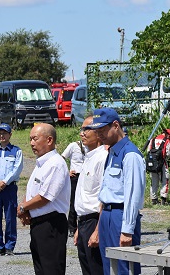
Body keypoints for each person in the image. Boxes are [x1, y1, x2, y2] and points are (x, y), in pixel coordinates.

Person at [85, 108, 145, 275]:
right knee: (109, 266)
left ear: (116, 125)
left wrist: (127, 230)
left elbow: (133, 196)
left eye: (103, 131)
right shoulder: (111, 152)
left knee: (124, 267)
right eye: (97, 132)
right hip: (108, 215)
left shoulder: (130, 154)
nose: (99, 136)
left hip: (121, 215)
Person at [17, 123, 71, 275]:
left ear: (49, 140)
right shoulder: (41, 163)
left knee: (51, 270)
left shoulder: (56, 164)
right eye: (30, 139)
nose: (31, 143)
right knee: (41, 270)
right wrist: (25, 207)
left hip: (51, 225)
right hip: (39, 225)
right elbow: (32, 191)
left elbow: (45, 197)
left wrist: (23, 208)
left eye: (35, 139)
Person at [74, 115, 108, 275]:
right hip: (83, 222)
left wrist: (97, 230)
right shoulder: (88, 157)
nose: (82, 133)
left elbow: (103, 198)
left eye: (87, 129)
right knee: (86, 269)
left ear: (99, 133)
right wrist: (78, 228)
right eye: (81, 129)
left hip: (94, 221)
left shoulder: (102, 158)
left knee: (96, 269)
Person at [0, 123, 23, 256]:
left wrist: (4, 183)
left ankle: (9, 246)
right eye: (0, 133)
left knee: (10, 218)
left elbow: (17, 169)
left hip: (9, 189)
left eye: (4, 133)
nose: (2, 136)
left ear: (10, 135)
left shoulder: (16, 151)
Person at [62, 134, 86, 236]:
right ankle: (72, 227)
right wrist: (67, 171)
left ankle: (83, 226)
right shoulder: (73, 145)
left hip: (85, 176)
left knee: (84, 201)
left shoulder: (92, 147)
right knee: (73, 202)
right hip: (75, 176)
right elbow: (61, 158)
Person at [147, 128, 170, 205]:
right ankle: (163, 199)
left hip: (152, 164)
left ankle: (154, 199)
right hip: (162, 163)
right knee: (165, 180)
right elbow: (169, 154)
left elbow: (148, 151)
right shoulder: (167, 141)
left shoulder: (152, 140)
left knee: (154, 181)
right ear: (168, 135)